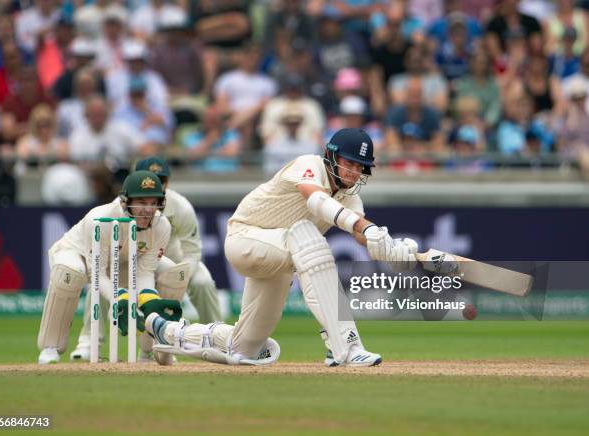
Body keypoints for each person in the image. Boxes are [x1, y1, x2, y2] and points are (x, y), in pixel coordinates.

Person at [146, 128, 417, 367]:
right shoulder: (308, 165)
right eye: (350, 163)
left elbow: (360, 231)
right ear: (331, 156)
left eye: (361, 167)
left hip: (280, 256)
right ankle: (346, 346)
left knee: (245, 348)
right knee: (307, 236)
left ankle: (168, 331)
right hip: (246, 238)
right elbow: (316, 201)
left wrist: (386, 244)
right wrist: (365, 228)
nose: (355, 172)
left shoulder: (349, 195)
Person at [69, 157, 223, 361]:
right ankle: (89, 342)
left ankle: (219, 340)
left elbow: (193, 253)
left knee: (202, 281)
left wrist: (180, 280)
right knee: (103, 276)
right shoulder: (121, 207)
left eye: (161, 179)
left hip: (172, 261)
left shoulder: (181, 207)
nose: (155, 183)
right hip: (136, 260)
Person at [37, 170, 178, 364]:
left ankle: (152, 350)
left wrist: (149, 299)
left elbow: (145, 271)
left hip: (119, 261)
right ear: (124, 202)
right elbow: (98, 274)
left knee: (170, 271)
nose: (148, 210)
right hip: (75, 253)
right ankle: (51, 347)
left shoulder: (161, 226)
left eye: (153, 203)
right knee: (70, 273)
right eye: (142, 203)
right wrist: (119, 296)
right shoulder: (101, 220)